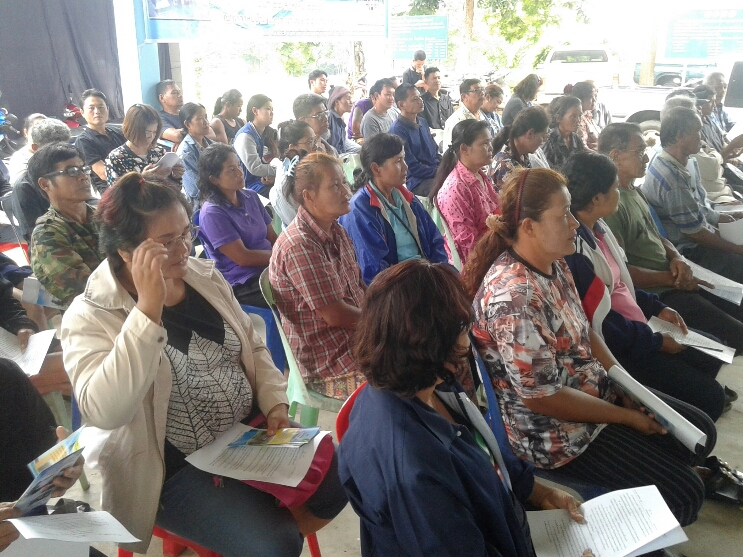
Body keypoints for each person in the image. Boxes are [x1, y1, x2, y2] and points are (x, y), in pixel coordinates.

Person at [60, 173, 347, 556]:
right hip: (171, 469)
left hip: (249, 435)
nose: (183, 249)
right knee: (273, 545)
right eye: (166, 242)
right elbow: (105, 412)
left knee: (349, 473)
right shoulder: (90, 315)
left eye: (186, 234)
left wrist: (275, 403)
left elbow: (253, 346)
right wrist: (147, 310)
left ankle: (269, 528)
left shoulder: (201, 276)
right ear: (126, 252)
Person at [463, 167, 717, 527]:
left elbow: (585, 330)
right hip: (555, 433)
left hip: (591, 392)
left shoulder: (554, 262)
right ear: (529, 226)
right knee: (686, 494)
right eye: (563, 214)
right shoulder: (514, 298)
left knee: (699, 432)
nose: (574, 223)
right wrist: (626, 416)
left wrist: (625, 385)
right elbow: (543, 398)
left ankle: (661, 482)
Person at [340, 259, 594, 557]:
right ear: (433, 343)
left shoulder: (427, 384)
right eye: (462, 327)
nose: (469, 336)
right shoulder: (416, 472)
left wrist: (537, 492)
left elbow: (482, 451)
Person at [562, 152, 727, 420]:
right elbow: (603, 323)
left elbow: (621, 284)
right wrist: (656, 342)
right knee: (711, 398)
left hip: (640, 326)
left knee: (712, 351)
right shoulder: (576, 250)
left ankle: (686, 400)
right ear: (596, 199)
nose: (620, 191)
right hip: (624, 346)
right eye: (615, 187)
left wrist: (657, 308)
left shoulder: (599, 229)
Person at [600, 122, 743, 357]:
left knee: (736, 304)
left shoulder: (633, 190)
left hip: (674, 276)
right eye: (640, 152)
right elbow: (622, 273)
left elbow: (656, 235)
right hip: (659, 292)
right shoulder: (611, 206)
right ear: (615, 156)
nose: (646, 158)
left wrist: (676, 257)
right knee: (734, 335)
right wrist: (672, 279)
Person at [269, 153, 366, 400]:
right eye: (335, 185)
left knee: (427, 343)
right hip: (329, 362)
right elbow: (336, 315)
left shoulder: (336, 230)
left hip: (357, 337)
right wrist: (384, 324)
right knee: (408, 369)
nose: (346, 191)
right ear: (309, 196)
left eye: (344, 182)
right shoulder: (300, 245)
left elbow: (358, 287)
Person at [641, 107, 743, 284]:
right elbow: (695, 233)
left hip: (699, 235)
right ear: (680, 137)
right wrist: (737, 249)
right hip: (690, 250)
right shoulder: (672, 178)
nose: (701, 138)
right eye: (697, 132)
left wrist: (727, 217)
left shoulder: (682, 162)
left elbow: (699, 208)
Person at [340, 133, 447, 284]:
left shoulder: (408, 199)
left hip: (425, 276)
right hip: (397, 286)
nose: (405, 167)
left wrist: (441, 274)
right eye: (398, 161)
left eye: (404, 159)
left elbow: (435, 240)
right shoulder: (361, 209)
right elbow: (375, 271)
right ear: (376, 169)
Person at [197, 144, 277, 307]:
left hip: (271, 265)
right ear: (214, 179)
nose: (240, 173)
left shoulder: (251, 196)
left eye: (239, 166)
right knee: (299, 290)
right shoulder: (212, 213)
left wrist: (287, 254)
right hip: (245, 281)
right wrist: (280, 258)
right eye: (231, 170)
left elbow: (272, 237)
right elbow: (243, 258)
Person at [28, 143, 103, 309]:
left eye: (83, 169)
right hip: (99, 317)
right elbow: (89, 293)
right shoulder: (47, 234)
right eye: (71, 172)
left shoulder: (103, 215)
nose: (83, 177)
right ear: (45, 184)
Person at [431, 119, 499, 265]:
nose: (491, 148)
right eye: (485, 143)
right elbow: (469, 246)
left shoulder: (479, 175)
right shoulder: (455, 188)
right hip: (478, 261)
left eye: (490, 142)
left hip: (494, 247)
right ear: (464, 149)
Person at [11, 118, 71, 242]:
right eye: (54, 151)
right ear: (35, 149)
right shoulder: (25, 187)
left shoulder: (72, 172)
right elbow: (37, 237)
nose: (63, 155)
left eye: (66, 147)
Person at [104, 103, 185, 188]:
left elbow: (173, 191)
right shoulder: (116, 159)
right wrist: (142, 179)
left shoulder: (159, 152)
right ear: (132, 129)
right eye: (147, 132)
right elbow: (116, 194)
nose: (151, 136)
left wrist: (175, 177)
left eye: (154, 132)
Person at [388, 84, 441, 195]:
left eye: (420, 97)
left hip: (434, 172)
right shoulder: (397, 130)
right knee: (449, 187)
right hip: (417, 181)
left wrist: (445, 166)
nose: (420, 101)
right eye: (415, 99)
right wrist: (439, 171)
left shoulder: (423, 122)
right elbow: (411, 167)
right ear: (401, 104)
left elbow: (434, 152)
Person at [75, 89, 127, 194]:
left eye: (101, 107)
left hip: (132, 181)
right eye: (91, 108)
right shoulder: (84, 141)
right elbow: (104, 174)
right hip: (112, 191)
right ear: (82, 112)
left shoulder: (119, 132)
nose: (97, 111)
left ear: (107, 109)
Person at [490, 105, 550, 190]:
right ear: (530, 134)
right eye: (543, 136)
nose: (544, 140)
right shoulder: (505, 165)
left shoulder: (523, 155)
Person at [271, 120, 318, 226]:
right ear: (292, 147)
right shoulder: (290, 180)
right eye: (310, 142)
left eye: (315, 140)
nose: (316, 146)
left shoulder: (294, 167)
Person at [231, 94, 277, 196]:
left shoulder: (259, 132)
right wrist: (280, 170)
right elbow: (255, 168)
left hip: (259, 180)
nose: (272, 113)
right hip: (248, 186)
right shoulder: (245, 136)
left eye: (272, 110)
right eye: (268, 109)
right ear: (255, 111)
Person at [176, 102, 214, 206]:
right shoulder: (185, 152)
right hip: (201, 205)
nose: (206, 122)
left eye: (206, 117)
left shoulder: (213, 145)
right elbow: (196, 190)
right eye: (200, 119)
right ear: (187, 124)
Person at [539, 95, 585, 169]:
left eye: (580, 116)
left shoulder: (576, 139)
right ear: (558, 118)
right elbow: (546, 170)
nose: (578, 120)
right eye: (573, 116)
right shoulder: (548, 140)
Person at [442, 78, 485, 151]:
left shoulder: (481, 115)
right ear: (464, 97)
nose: (482, 93)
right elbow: (452, 152)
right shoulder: (457, 120)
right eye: (477, 90)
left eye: (483, 89)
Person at [7, 112, 45, 182]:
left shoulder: (53, 153)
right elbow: (22, 184)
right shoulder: (19, 158)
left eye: (44, 129)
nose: (40, 133)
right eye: (36, 129)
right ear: (26, 132)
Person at [327, 86, 361, 154]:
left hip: (341, 151)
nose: (351, 102)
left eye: (351, 98)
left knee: (361, 150)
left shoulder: (341, 117)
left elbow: (342, 142)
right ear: (337, 102)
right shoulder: (329, 118)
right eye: (348, 98)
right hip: (332, 154)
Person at [420, 66, 455, 131]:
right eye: (434, 78)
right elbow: (422, 125)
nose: (437, 80)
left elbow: (453, 118)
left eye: (439, 78)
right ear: (426, 81)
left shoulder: (446, 99)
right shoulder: (421, 101)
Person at [569, 82, 599, 151]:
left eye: (595, 96)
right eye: (591, 97)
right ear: (582, 99)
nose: (594, 100)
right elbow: (583, 149)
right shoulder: (578, 120)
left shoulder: (588, 114)